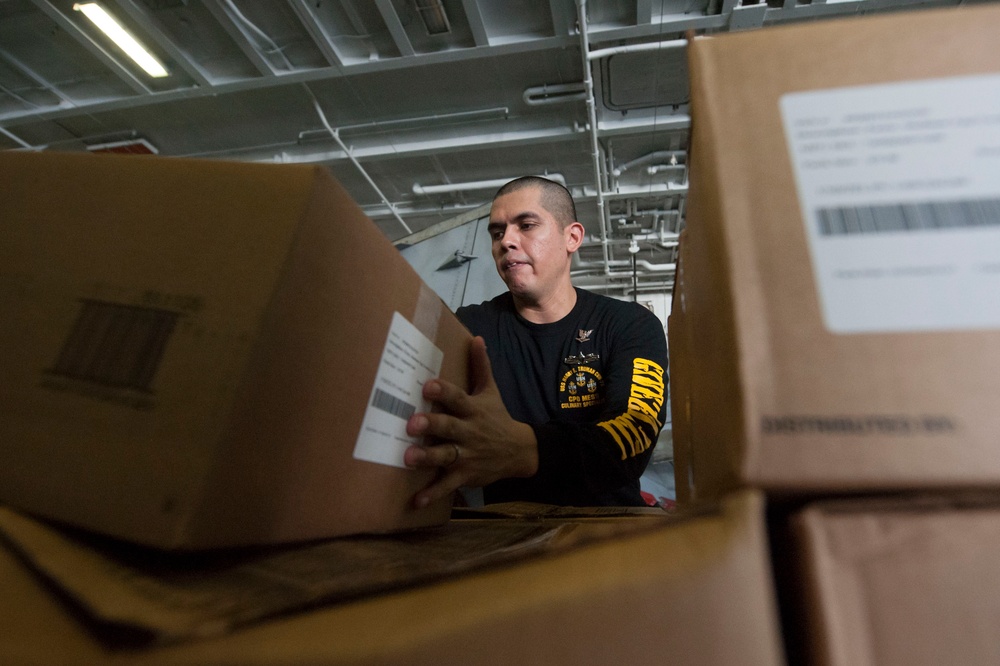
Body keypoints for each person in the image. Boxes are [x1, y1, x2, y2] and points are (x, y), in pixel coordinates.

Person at [403, 176, 668, 508]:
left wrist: (523, 449)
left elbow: (635, 432)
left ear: (571, 237)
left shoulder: (629, 325)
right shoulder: (469, 328)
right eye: (497, 233)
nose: (506, 241)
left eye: (525, 225)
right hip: (501, 535)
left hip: (605, 530)